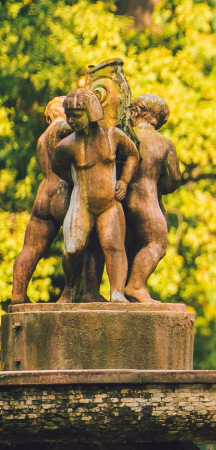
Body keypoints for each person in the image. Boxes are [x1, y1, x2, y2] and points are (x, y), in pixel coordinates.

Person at [52, 88, 139, 303]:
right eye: (68, 115)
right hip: (82, 201)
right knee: (72, 250)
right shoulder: (66, 146)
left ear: (91, 112)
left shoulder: (113, 136)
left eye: (76, 115)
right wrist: (76, 180)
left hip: (109, 203)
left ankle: (117, 292)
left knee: (113, 246)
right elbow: (57, 168)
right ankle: (71, 288)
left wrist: (124, 181)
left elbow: (133, 155)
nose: (70, 120)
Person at [11, 97, 71, 304]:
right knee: (83, 243)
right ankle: (70, 293)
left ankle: (18, 295)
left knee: (30, 248)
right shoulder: (62, 128)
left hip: (43, 192)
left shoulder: (43, 136)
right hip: (63, 190)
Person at [122, 93, 181, 302]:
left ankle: (122, 288)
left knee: (129, 244)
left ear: (136, 112)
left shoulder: (122, 135)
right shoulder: (164, 143)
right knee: (156, 243)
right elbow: (174, 179)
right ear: (157, 119)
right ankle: (136, 285)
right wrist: (158, 184)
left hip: (121, 199)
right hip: (147, 200)